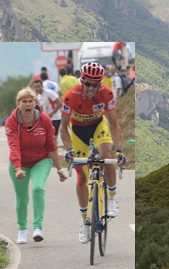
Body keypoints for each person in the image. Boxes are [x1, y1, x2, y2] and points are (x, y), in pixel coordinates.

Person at [59, 62, 126, 244]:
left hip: (98, 125)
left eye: (94, 85)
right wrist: (69, 150)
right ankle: (84, 222)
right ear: (82, 81)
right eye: (87, 84)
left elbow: (114, 124)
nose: (90, 88)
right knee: (81, 176)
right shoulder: (71, 96)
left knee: (106, 156)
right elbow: (63, 128)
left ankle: (112, 198)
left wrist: (119, 150)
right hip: (78, 131)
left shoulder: (106, 93)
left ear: (100, 84)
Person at [4, 88, 68, 244]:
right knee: (22, 199)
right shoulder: (12, 122)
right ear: (18, 104)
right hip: (19, 163)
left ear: (35, 103)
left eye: (30, 101)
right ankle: (22, 230)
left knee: (38, 188)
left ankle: (38, 228)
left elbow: (51, 145)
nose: (27, 104)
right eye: (24, 101)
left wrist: (60, 169)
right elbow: (14, 146)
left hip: (41, 160)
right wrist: (17, 168)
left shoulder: (44, 119)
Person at [33, 79, 63, 145]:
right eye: (36, 87)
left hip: (55, 118)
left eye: (39, 86)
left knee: (53, 138)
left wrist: (51, 113)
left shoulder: (49, 93)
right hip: (46, 119)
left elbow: (59, 103)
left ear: (42, 86)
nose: (37, 89)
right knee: (47, 138)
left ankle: (55, 150)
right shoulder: (38, 97)